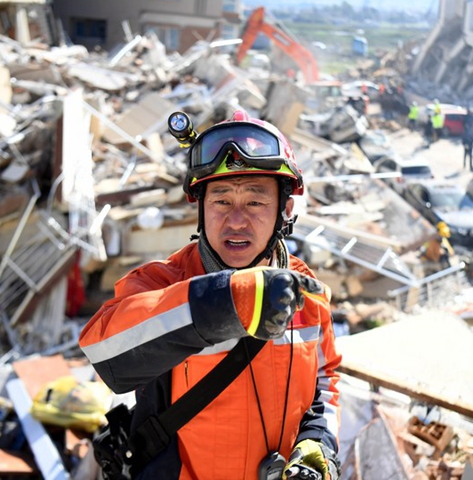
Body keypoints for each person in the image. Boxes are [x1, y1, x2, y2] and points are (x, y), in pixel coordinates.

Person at [79, 111, 342, 479]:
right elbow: (103, 352)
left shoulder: (305, 288)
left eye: (255, 201)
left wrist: (320, 441)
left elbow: (325, 379)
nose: (236, 220)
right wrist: (226, 302)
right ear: (200, 208)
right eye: (221, 200)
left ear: (285, 210)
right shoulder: (162, 282)